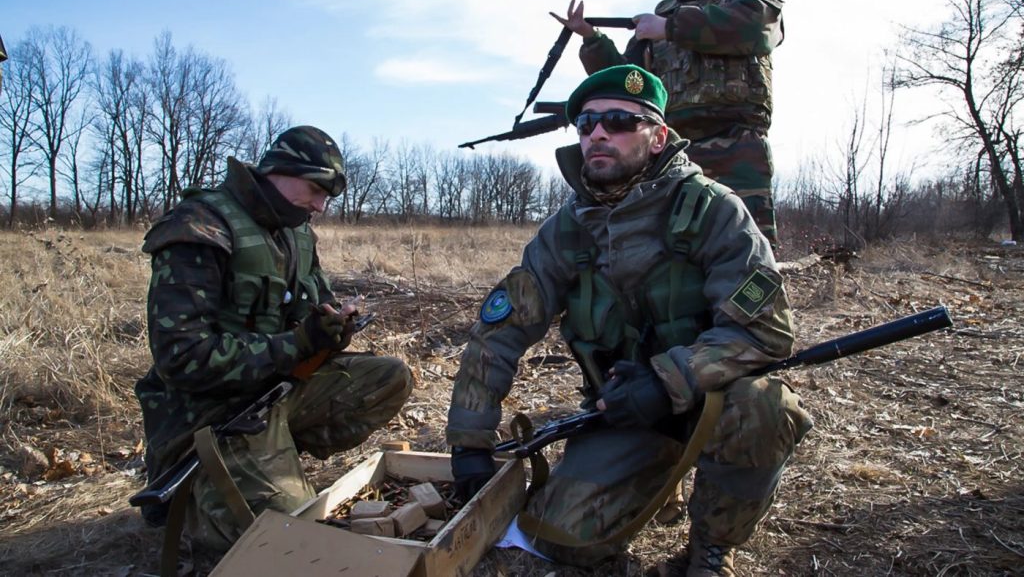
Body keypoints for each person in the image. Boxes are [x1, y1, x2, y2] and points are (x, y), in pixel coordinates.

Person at [446, 66, 810, 575]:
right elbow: (498, 335)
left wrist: (669, 381)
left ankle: (709, 551)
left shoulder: (714, 212)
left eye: (619, 121)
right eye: (587, 123)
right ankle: (655, 480)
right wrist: (469, 444)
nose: (597, 132)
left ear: (659, 137)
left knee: (765, 406)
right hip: (622, 415)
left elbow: (764, 329)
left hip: (711, 406)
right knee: (563, 539)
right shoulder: (565, 231)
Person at [135, 125, 413, 551]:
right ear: (279, 171)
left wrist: (332, 329)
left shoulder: (297, 231)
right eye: (315, 189)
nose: (320, 205)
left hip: (276, 392)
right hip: (210, 417)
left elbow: (313, 310)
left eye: (327, 196)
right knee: (292, 539)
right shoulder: (200, 226)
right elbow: (182, 357)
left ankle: (272, 454)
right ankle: (200, 498)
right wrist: (298, 344)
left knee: (390, 377)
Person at [552, 0, 784, 246]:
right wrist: (592, 39)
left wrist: (670, 28)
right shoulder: (659, 16)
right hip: (672, 152)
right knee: (669, 248)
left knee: (745, 243)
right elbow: (630, 86)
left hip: (735, 146)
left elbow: (757, 27)